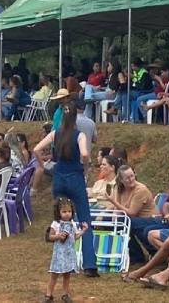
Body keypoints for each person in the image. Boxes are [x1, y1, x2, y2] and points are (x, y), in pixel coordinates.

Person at [34, 101, 98, 277]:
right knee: (84, 219)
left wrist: (46, 166)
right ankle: (90, 265)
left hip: (59, 177)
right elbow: (85, 154)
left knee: (61, 220)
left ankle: (62, 262)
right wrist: (84, 168)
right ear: (75, 117)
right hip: (75, 177)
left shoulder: (55, 134)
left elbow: (36, 149)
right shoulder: (79, 135)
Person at [44, 197, 89, 303]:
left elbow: (76, 236)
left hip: (69, 253)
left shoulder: (72, 223)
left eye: (69, 211)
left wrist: (83, 230)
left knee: (67, 275)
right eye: (64, 211)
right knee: (54, 275)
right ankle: (48, 295)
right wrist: (58, 236)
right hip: (59, 254)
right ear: (58, 212)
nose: (67, 214)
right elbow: (49, 237)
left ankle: (65, 294)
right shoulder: (56, 224)